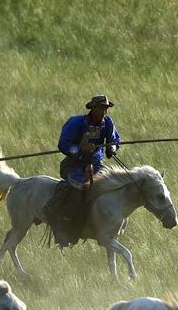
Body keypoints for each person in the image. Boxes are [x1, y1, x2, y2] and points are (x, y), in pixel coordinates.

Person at [43, 95, 122, 248]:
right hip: (74, 166)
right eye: (101, 108)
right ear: (92, 109)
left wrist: (112, 148)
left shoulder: (108, 123)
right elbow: (63, 144)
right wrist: (79, 149)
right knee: (82, 190)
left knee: (113, 185)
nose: (104, 111)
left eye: (106, 108)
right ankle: (64, 225)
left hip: (96, 167)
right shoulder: (76, 123)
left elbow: (114, 140)